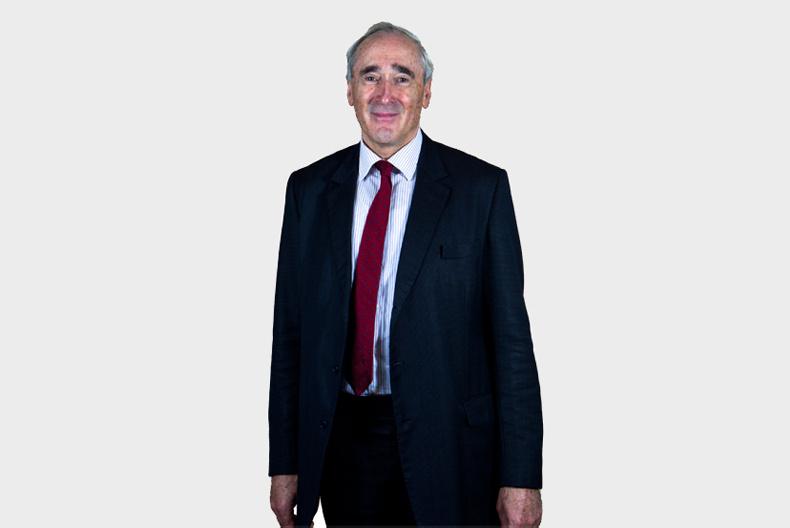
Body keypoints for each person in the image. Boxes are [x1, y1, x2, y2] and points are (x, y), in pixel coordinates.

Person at [268, 21, 543, 527]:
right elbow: (289, 337)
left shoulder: (480, 190)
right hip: (342, 448)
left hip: (452, 450)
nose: (385, 94)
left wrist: (522, 476)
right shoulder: (308, 191)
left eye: (402, 77)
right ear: (349, 91)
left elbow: (512, 346)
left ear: (427, 92)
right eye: (370, 76)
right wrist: (285, 463)